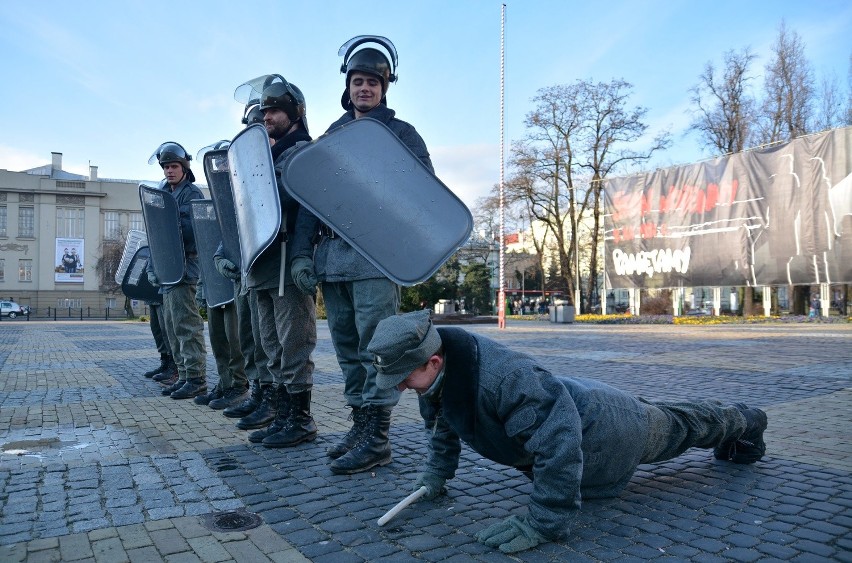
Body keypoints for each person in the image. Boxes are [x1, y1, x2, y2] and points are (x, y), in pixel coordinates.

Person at [368, 310, 769, 554]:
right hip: (581, 403)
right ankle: (736, 418)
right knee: (678, 417)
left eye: (403, 378)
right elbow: (444, 423)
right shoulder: (438, 375)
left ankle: (747, 421)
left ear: (433, 361)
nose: (400, 387)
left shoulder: (505, 379)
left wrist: (543, 521)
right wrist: (437, 474)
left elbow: (559, 446)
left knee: (682, 427)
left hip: (609, 431)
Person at [291, 35, 433, 474]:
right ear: (347, 86)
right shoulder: (333, 134)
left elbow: (423, 195)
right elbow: (311, 200)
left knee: (379, 348)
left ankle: (378, 437)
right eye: (358, 81)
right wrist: (301, 255)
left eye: (373, 81)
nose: (364, 88)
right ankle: (359, 425)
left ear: (385, 87)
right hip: (333, 260)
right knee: (349, 348)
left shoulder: (402, 134)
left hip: (375, 258)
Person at [225, 75, 318, 448]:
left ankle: (301, 419)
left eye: (276, 109)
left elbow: (308, 208)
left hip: (284, 259)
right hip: (261, 263)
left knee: (294, 341)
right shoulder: (264, 154)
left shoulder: (303, 152)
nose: (267, 116)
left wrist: (301, 256)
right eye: (264, 110)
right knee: (270, 343)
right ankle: (282, 415)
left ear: (295, 112)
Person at [146, 142, 208, 400]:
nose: (169, 171)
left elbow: (196, 232)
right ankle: (183, 375)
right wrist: (152, 265)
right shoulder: (162, 193)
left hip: (185, 267)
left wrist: (173, 227)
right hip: (167, 270)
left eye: (173, 166)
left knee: (186, 325)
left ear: (184, 167)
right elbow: (155, 233)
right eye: (165, 167)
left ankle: (195, 378)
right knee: (171, 327)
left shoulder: (192, 194)